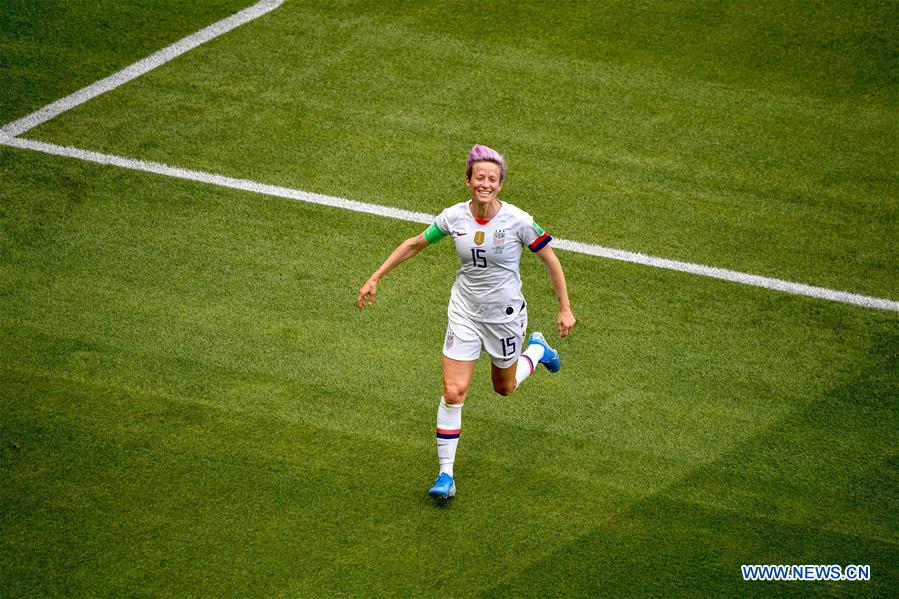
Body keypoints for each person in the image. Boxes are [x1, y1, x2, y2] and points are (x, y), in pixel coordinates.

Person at [357, 144, 576, 499]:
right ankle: (446, 475)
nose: (485, 184)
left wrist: (564, 308)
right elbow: (415, 244)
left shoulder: (519, 221)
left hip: (504, 318)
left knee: (504, 387)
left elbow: (551, 260)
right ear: (468, 181)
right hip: (464, 313)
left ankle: (537, 350)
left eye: (492, 179)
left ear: (500, 184)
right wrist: (376, 276)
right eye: (479, 178)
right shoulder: (454, 217)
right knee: (453, 391)